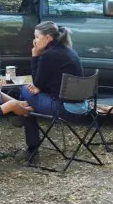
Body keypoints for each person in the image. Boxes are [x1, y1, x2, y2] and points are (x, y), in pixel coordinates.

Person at [19, 20, 83, 164]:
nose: (34, 41)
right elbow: (49, 83)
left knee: (24, 90)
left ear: (48, 38)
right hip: (81, 106)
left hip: (63, 108)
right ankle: (22, 113)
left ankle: (32, 149)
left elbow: (37, 82)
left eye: (37, 37)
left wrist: (35, 55)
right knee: (29, 103)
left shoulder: (49, 55)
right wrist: (40, 88)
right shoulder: (67, 50)